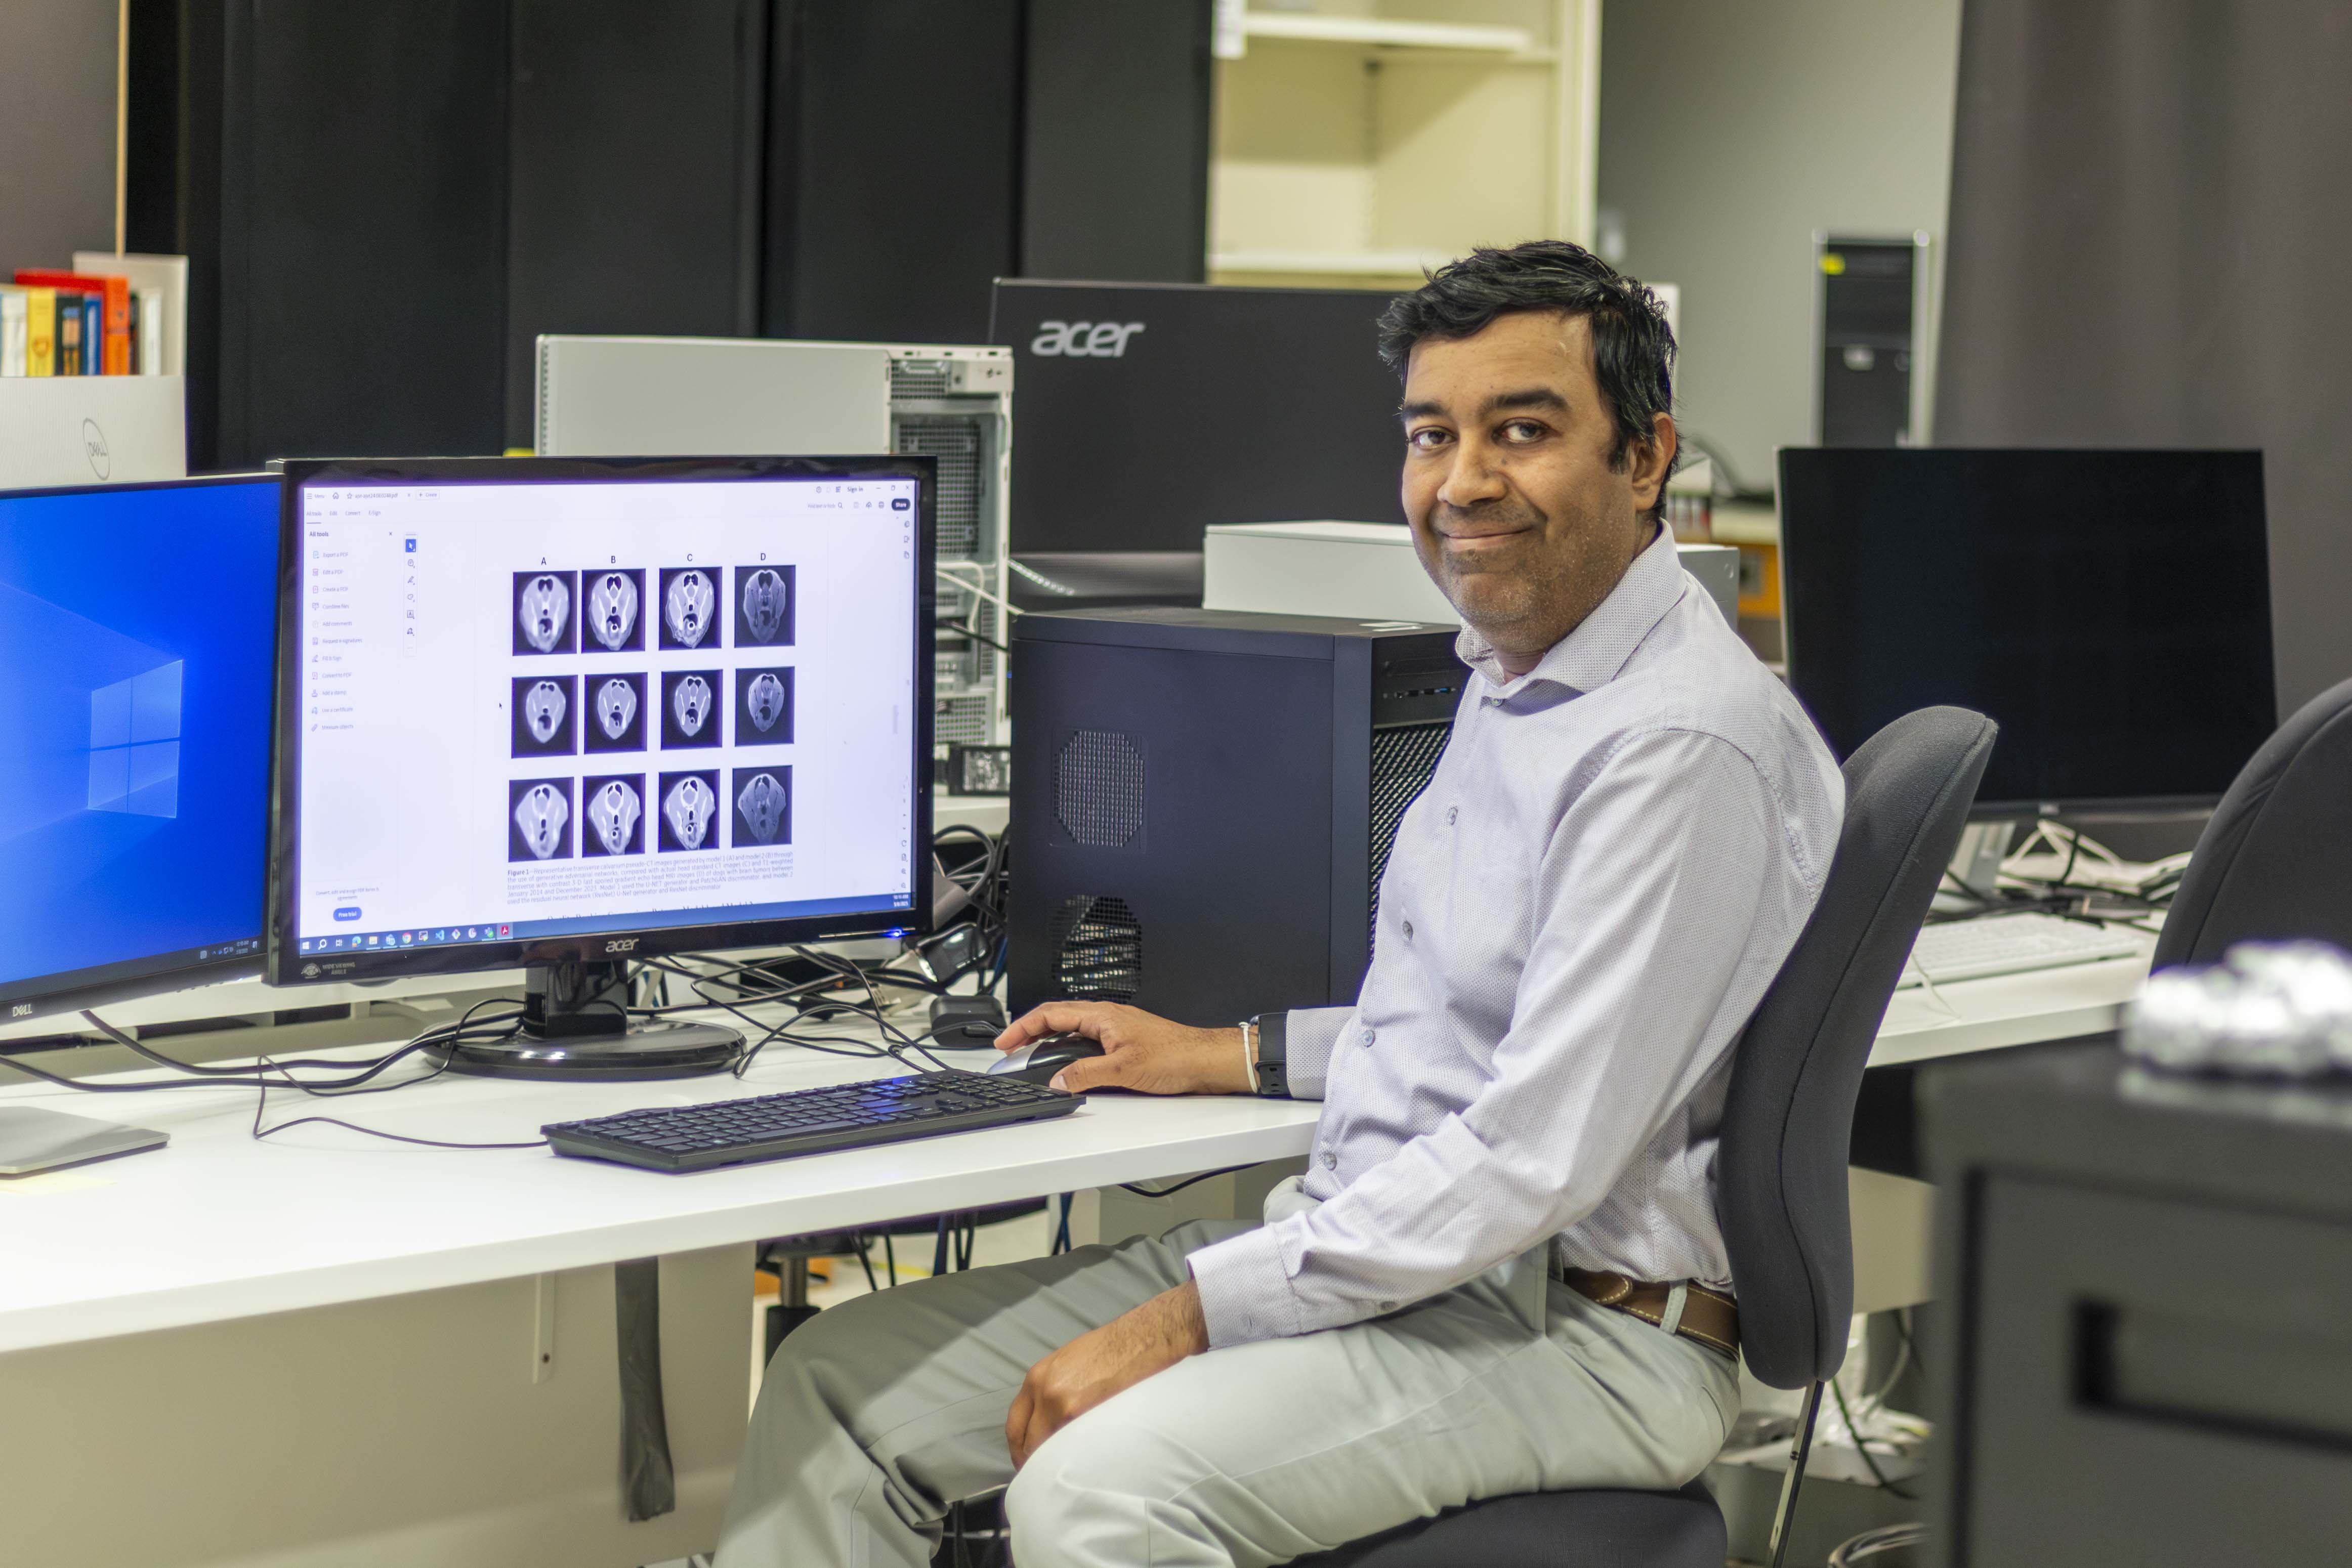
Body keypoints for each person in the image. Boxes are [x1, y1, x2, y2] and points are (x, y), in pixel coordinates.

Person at [713, 240, 1844, 1568]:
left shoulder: (1677, 743)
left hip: (1577, 1329)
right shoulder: (1527, 662)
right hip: (1408, 1259)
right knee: (838, 1382)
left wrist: (1190, 1313)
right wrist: (1232, 1052)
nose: (1465, 481)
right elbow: (1470, 1020)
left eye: (1523, 430)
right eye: (1435, 434)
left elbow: (1533, 1152)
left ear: (1644, 458)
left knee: (1097, 1490)